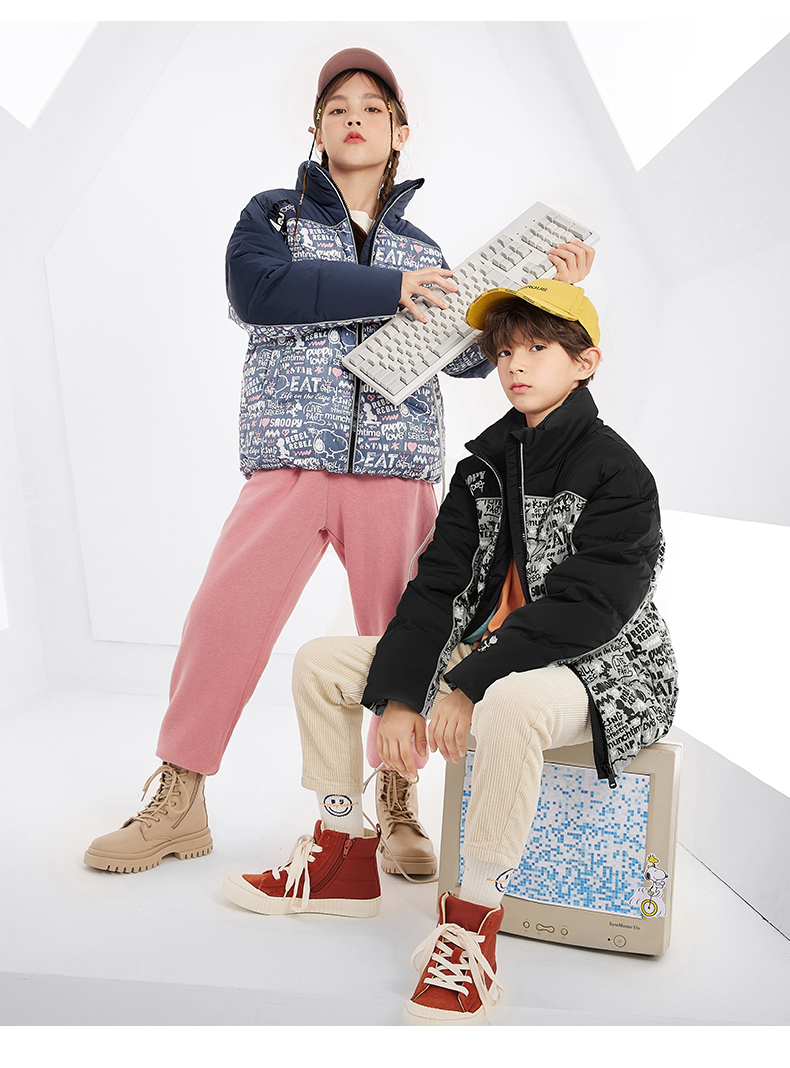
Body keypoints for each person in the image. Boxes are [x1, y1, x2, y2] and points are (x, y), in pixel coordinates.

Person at [83, 47, 595, 878]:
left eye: (373, 106)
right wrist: (392, 290)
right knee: (223, 620)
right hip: (291, 459)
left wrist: (553, 290)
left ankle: (396, 799)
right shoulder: (274, 218)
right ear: (317, 130)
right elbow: (257, 293)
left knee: (408, 635)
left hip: (396, 468)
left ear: (400, 131)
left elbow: (474, 357)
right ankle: (180, 797)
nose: (354, 115)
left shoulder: (424, 247)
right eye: (337, 106)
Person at [220, 278, 678, 1026]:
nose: (515, 365)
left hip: (603, 668)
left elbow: (590, 607)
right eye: (505, 351)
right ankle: (342, 854)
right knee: (322, 663)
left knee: (514, 699)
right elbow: (436, 586)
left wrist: (466, 684)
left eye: (538, 348)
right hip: (486, 655)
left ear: (585, 362)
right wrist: (405, 695)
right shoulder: (482, 468)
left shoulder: (618, 472)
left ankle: (472, 922)